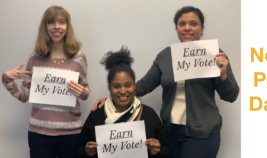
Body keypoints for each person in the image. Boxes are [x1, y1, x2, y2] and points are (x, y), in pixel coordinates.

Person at [91, 6, 239, 158]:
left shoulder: (215, 55)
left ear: (202, 29)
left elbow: (231, 95)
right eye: (182, 24)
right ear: (177, 28)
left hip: (202, 134)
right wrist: (111, 99)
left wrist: (222, 75)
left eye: (193, 24)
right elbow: (144, 86)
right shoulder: (165, 56)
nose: (187, 28)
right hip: (170, 132)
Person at [2, 6, 89, 158]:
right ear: (45, 26)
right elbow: (26, 96)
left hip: (71, 133)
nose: (57, 27)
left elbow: (85, 92)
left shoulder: (79, 58)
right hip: (39, 133)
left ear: (67, 26)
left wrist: (82, 92)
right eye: (51, 22)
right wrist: (8, 81)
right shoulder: (35, 57)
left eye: (61, 22)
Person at [75, 47, 171, 158]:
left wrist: (157, 151)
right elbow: (77, 151)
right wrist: (87, 152)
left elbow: (168, 151)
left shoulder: (149, 114)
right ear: (109, 88)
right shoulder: (97, 113)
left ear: (134, 86)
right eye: (116, 86)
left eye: (127, 85)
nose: (122, 91)